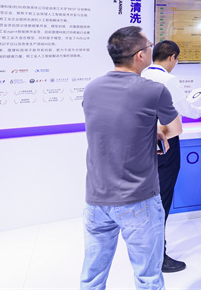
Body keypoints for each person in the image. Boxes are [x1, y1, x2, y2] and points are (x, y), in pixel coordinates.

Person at [80, 26, 182, 290]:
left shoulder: (92, 88)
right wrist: (157, 131)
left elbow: (111, 125)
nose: (151, 49)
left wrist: (149, 130)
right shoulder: (154, 90)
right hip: (139, 198)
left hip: (96, 199)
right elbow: (175, 129)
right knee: (147, 278)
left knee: (92, 278)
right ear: (140, 55)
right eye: (149, 46)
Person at [140, 40, 201, 273]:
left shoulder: (141, 75)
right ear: (172, 57)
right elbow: (183, 109)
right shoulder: (168, 80)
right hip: (165, 140)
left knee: (148, 200)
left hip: (142, 143)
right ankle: (158, 255)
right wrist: (200, 110)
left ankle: (147, 251)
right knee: (162, 199)